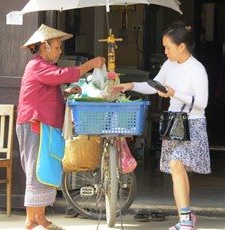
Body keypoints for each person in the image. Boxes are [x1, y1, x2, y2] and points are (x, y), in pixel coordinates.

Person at [110, 21, 211, 230]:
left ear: (181, 46)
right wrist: (130, 85)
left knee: (176, 165)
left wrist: (175, 94)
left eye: (168, 47)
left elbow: (202, 103)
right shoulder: (169, 65)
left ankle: (185, 219)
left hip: (192, 124)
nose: (165, 52)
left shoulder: (197, 69)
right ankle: (186, 218)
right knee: (176, 169)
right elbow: (154, 85)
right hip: (174, 124)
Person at [16, 24, 105, 230]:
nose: (60, 51)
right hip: (34, 123)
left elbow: (49, 90)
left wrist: (65, 93)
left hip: (43, 123)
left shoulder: (43, 67)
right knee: (36, 169)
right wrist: (90, 64)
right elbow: (62, 75)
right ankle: (31, 219)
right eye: (57, 47)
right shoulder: (37, 66)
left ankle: (40, 217)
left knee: (45, 168)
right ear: (44, 46)